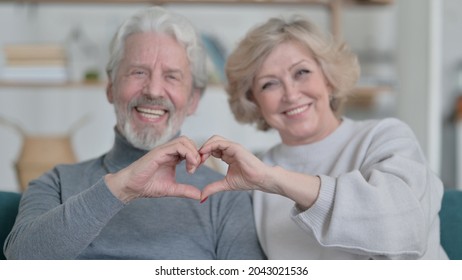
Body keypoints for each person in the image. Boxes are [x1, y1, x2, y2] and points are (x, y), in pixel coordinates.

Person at [3, 6, 264, 260]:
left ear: (194, 99)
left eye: (172, 77)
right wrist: (121, 188)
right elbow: (21, 261)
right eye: (138, 72)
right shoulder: (57, 182)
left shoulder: (224, 198)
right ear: (110, 88)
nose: (153, 90)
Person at [198, 15, 448, 259]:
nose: (291, 94)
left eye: (302, 72)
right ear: (253, 101)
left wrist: (274, 179)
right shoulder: (255, 175)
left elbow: (404, 230)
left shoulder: (386, 137)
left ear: (328, 79)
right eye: (269, 84)